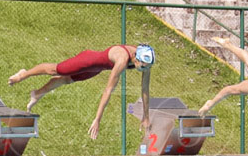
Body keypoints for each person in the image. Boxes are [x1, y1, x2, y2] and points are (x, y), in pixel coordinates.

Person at [8, 43, 155, 140]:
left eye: (146, 66)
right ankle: (23, 74)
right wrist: (97, 119)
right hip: (88, 60)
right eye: (141, 64)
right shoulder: (122, 59)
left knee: (67, 79)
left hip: (96, 68)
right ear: (136, 56)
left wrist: (146, 116)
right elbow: (108, 90)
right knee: (56, 70)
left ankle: (37, 93)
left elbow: (145, 89)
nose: (143, 68)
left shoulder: (143, 60)